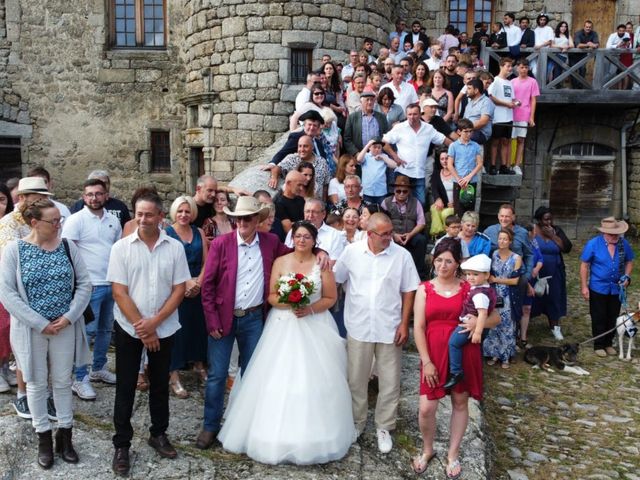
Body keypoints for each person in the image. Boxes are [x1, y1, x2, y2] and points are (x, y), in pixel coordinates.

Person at [218, 220, 354, 464]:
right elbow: (270, 296)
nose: (302, 240)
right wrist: (291, 303)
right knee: (274, 377)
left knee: (314, 380)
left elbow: (331, 298)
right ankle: (267, 435)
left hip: (314, 324)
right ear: (292, 239)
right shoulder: (281, 261)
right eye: (298, 236)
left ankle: (315, 435)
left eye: (307, 237)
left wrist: (309, 308)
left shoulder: (322, 263)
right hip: (282, 323)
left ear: (315, 241)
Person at [198, 197, 302, 450]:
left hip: (255, 318)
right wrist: (212, 320)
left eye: (248, 218)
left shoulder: (270, 242)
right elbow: (208, 285)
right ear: (233, 220)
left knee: (254, 373)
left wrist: (320, 253)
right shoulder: (222, 244)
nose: (243, 222)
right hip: (224, 318)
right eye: (239, 218)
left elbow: (295, 255)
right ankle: (210, 426)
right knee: (217, 375)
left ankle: (247, 424)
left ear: (258, 220)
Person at [0, 198, 91, 469]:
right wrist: (40, 323)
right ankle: (43, 438)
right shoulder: (15, 250)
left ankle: (65, 435)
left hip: (64, 326)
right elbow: (7, 293)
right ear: (34, 222)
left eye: (59, 219)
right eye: (54, 221)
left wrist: (68, 317)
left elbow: (84, 284)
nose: (59, 224)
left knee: (63, 382)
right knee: (37, 383)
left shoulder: (67, 246)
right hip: (31, 330)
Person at [107, 192, 191, 476]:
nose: (143, 219)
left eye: (149, 214)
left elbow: (179, 289)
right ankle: (122, 444)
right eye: (138, 214)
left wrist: (155, 323)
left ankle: (158, 433)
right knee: (126, 385)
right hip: (129, 328)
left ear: (160, 216)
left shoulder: (174, 248)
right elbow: (119, 291)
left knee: (159, 384)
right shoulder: (121, 248)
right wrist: (143, 328)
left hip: (163, 327)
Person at [412, 238, 499, 478]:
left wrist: (477, 322)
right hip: (434, 353)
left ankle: (453, 453)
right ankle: (427, 449)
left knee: (460, 402)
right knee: (427, 407)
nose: (442, 265)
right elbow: (418, 327)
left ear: (457, 263)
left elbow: (495, 318)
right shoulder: (424, 289)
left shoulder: (469, 287)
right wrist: (426, 361)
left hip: (463, 351)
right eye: (438, 260)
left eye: (448, 261)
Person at [334, 212, 420, 453]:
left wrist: (405, 324)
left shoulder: (402, 256)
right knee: (356, 379)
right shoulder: (351, 252)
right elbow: (337, 279)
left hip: (389, 327)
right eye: (384, 234)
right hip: (359, 325)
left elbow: (410, 290)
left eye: (391, 232)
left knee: (390, 381)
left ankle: (384, 426)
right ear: (370, 234)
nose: (389, 237)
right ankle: (357, 422)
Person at [0, 177, 56, 420]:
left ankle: (44, 393)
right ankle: (23, 395)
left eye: (44, 197)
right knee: (24, 348)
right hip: (21, 297)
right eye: (37, 197)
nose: (42, 201)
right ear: (22, 198)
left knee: (47, 351)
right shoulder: (8, 226)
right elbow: (15, 264)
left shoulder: (45, 218)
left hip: (46, 295)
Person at [62, 179, 122, 402]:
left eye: (98, 194)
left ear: (106, 195)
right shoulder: (75, 220)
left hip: (109, 282)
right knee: (86, 332)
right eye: (89, 194)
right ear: (83, 196)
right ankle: (80, 377)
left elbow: (116, 249)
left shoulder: (113, 221)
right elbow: (68, 252)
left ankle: (98, 367)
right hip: (89, 285)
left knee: (106, 330)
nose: (94, 198)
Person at [165, 196, 209, 399]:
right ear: (174, 212)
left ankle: (199, 365)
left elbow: (206, 262)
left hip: (197, 286)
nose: (184, 215)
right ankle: (174, 375)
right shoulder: (166, 233)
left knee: (198, 327)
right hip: (176, 287)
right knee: (177, 331)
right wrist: (186, 283)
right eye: (180, 211)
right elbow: (165, 264)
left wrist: (198, 282)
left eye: (187, 211)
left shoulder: (199, 232)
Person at [580, 217, 634, 358]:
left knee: (613, 316)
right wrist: (584, 287)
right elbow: (584, 265)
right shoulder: (593, 244)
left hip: (616, 288)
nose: (614, 237)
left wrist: (627, 276)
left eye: (616, 234)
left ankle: (608, 343)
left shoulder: (623, 244)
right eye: (611, 234)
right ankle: (599, 344)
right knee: (599, 316)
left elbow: (629, 261)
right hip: (598, 286)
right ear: (604, 233)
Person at [443, 254, 496, 389]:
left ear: (486, 275)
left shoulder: (480, 294)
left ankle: (456, 372)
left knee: (453, 343)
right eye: (468, 274)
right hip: (470, 323)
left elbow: (483, 313)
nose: (470, 277)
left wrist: (477, 331)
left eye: (475, 274)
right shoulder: (481, 288)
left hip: (469, 326)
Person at [383, 103, 446, 206]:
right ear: (406, 115)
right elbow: (384, 142)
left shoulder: (428, 128)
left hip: (419, 173)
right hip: (403, 172)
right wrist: (395, 157)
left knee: (421, 204)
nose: (412, 117)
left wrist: (457, 147)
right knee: (401, 203)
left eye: (415, 114)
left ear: (420, 114)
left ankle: (418, 222)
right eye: (409, 114)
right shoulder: (400, 127)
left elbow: (443, 139)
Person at [531, 207, 572, 341]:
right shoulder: (532, 231)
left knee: (554, 297)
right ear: (539, 220)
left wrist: (553, 236)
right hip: (536, 271)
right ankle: (526, 325)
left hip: (554, 271)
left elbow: (567, 247)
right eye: (545, 219)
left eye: (550, 219)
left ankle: (555, 326)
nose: (549, 222)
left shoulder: (557, 230)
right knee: (533, 297)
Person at [484, 229, 522, 369]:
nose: (502, 241)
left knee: (507, 325)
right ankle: (494, 353)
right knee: (494, 325)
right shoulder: (494, 254)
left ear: (510, 241)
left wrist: (497, 280)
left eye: (505, 239)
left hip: (508, 295)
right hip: (494, 294)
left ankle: (505, 355)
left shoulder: (516, 258)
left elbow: (515, 281)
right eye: (500, 238)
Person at [380, 175, 428, 280]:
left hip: (410, 234)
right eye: (398, 191)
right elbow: (382, 223)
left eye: (404, 191)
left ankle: (419, 274)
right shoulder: (386, 202)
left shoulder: (416, 202)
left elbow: (421, 223)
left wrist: (410, 234)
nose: (401, 194)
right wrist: (393, 235)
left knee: (421, 240)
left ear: (409, 191)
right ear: (394, 190)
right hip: (392, 235)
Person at [269, 135, 330, 202]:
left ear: (312, 147)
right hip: (296, 201)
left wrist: (324, 203)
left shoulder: (322, 162)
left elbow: (325, 185)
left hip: (316, 203)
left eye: (305, 146)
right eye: (300, 146)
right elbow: (278, 168)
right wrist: (274, 177)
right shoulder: (291, 159)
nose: (302, 149)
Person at [285, 199, 346, 264]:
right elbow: (286, 255)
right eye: (307, 211)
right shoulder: (293, 231)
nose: (310, 215)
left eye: (315, 212)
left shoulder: (334, 235)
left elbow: (335, 262)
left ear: (323, 214)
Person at [447, 118, 483, 216]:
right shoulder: (453, 146)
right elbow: (450, 164)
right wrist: (459, 179)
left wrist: (469, 177)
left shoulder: (475, 145)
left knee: (470, 208)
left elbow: (479, 164)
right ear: (459, 132)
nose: (468, 134)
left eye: (470, 131)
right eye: (465, 132)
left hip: (471, 181)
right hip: (458, 181)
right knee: (458, 209)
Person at [488, 57, 516, 175]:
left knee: (506, 141)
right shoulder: (495, 80)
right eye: (507, 66)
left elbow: (512, 98)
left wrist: (515, 103)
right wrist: (506, 104)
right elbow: (491, 96)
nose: (510, 69)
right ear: (501, 66)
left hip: (508, 117)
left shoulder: (510, 82)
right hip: (498, 117)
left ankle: (504, 166)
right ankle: (493, 166)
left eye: (511, 67)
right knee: (495, 142)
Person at [511, 58, 539, 175]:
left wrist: (531, 117)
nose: (524, 70)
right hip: (512, 114)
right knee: (510, 140)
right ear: (517, 68)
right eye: (521, 67)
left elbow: (533, 100)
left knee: (521, 140)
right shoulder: (512, 81)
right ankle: (508, 164)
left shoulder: (532, 81)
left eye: (526, 67)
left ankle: (517, 164)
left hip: (524, 114)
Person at [0, 183, 16, 393]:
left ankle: (5, 365)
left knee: (8, 326)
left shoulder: (11, 227)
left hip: (7, 282)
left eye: (2, 200)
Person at [343, 90, 390, 157]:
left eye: (372, 100)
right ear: (361, 102)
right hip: (360, 155)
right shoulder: (352, 118)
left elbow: (386, 136)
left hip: (378, 155)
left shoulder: (381, 117)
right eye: (367, 100)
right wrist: (356, 153)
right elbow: (347, 139)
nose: (370, 102)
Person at [356, 138, 397, 205]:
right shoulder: (366, 156)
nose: (377, 149)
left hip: (381, 192)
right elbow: (359, 159)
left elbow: (394, 165)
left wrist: (383, 158)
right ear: (369, 148)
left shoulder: (384, 156)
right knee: (367, 211)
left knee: (381, 211)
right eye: (374, 147)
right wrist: (368, 144)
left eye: (379, 147)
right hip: (367, 191)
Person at [429, 148, 455, 238]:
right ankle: (439, 234)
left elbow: (462, 191)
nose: (444, 161)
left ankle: (443, 234)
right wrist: (437, 198)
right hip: (443, 205)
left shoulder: (457, 172)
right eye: (442, 159)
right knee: (434, 208)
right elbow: (434, 188)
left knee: (445, 213)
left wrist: (455, 203)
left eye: (447, 158)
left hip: (454, 205)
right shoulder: (436, 174)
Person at [462, 79, 493, 145]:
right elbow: (464, 120)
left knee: (464, 137)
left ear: (476, 90)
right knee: (452, 134)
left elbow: (483, 122)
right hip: (468, 131)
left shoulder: (486, 102)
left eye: (469, 88)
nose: (466, 91)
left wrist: (466, 129)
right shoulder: (469, 103)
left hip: (480, 132)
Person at [571, 20, 599, 89]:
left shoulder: (594, 33)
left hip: (583, 55)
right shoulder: (578, 33)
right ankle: (574, 88)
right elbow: (578, 45)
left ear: (591, 28)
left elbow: (597, 44)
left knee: (583, 69)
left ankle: (580, 87)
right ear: (584, 27)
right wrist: (588, 44)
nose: (588, 28)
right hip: (573, 55)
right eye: (586, 27)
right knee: (572, 71)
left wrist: (593, 45)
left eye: (589, 27)